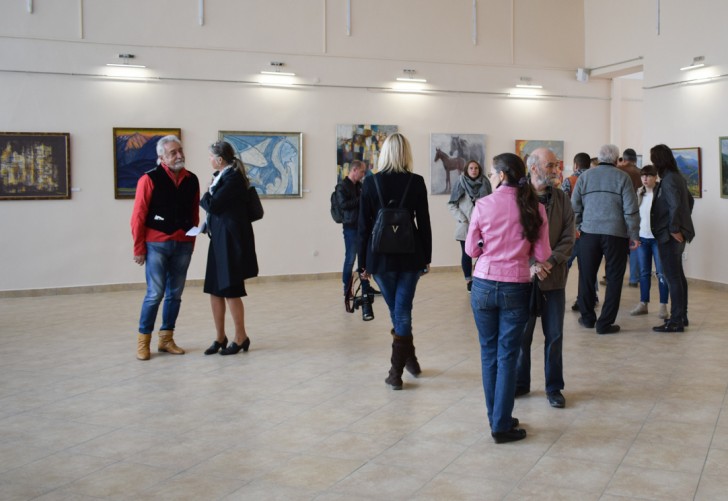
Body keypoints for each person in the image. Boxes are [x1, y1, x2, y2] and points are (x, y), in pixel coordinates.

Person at [466, 153, 551, 444]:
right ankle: (501, 423)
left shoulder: (483, 204)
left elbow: (471, 251)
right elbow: (542, 254)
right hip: (516, 285)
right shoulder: (535, 207)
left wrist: (486, 244)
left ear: (502, 175)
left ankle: (497, 419)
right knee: (507, 355)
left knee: (488, 353)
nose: (490, 177)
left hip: (483, 284)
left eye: (492, 173)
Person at [358, 133, 432, 390]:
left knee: (399, 311)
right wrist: (427, 257)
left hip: (380, 258)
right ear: (406, 153)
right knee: (400, 311)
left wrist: (362, 264)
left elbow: (363, 227)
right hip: (411, 256)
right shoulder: (416, 182)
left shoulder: (370, 182)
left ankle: (395, 372)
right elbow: (424, 222)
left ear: (385, 154)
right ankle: (409, 359)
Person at [131, 135, 200, 360]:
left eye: (180, 151)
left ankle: (166, 339)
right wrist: (139, 248)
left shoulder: (192, 179)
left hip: (183, 244)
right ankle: (143, 341)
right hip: (156, 244)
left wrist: (192, 240)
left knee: (175, 294)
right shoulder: (148, 179)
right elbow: (138, 216)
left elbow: (194, 213)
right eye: (173, 153)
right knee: (155, 294)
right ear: (162, 158)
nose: (179, 155)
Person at [517, 148, 574, 409]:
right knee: (522, 337)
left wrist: (549, 262)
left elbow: (568, 236)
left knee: (554, 336)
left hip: (554, 278)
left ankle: (554, 388)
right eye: (550, 165)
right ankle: (520, 383)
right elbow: (513, 237)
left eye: (556, 165)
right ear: (534, 168)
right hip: (523, 280)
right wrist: (531, 265)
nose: (555, 170)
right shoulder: (518, 198)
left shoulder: (562, 198)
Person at [571, 144, 640, 335]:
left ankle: (587, 318)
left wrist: (578, 227)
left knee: (586, 276)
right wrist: (634, 234)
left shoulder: (585, 177)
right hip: (616, 234)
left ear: (599, 158)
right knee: (614, 278)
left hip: (589, 234)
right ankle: (605, 324)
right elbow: (631, 209)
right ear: (617, 160)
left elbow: (574, 206)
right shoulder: (622, 177)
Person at [199, 141, 259, 355]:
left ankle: (241, 337)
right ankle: (220, 337)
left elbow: (213, 205)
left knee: (231, 290)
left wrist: (205, 193)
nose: (209, 160)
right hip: (218, 240)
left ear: (219, 160)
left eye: (210, 157)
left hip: (230, 242)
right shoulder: (221, 176)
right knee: (215, 289)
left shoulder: (233, 178)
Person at [650, 144, 695, 333]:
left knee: (673, 277)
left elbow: (675, 205)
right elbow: (689, 201)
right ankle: (681, 316)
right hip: (675, 233)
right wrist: (682, 223)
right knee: (678, 276)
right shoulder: (677, 177)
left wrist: (675, 228)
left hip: (669, 235)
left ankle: (676, 321)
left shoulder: (669, 179)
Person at [335, 159, 377, 321]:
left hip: (362, 227)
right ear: (354, 170)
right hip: (350, 228)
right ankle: (347, 289)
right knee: (350, 259)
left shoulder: (360, 185)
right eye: (362, 171)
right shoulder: (342, 186)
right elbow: (343, 205)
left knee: (363, 259)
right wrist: (361, 199)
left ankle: (366, 287)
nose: (364, 174)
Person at [630, 164, 670, 319]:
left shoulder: (662, 194)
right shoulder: (639, 193)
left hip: (658, 240)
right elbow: (634, 215)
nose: (645, 179)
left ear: (655, 177)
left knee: (661, 273)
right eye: (643, 176)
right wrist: (634, 235)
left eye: (648, 176)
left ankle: (663, 305)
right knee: (644, 272)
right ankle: (643, 303)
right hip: (642, 238)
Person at [447, 160, 492, 293]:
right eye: (471, 168)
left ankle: (479, 277)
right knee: (467, 253)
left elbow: (491, 203)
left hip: (484, 225)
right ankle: (469, 281)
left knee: (484, 253)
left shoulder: (485, 182)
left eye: (476, 168)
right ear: (466, 170)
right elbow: (452, 204)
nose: (474, 170)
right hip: (466, 226)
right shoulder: (460, 182)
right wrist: (463, 219)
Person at [618, 148, 643, 288]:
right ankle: (634, 278)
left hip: (619, 212)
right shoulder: (640, 172)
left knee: (618, 246)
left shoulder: (618, 170)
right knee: (634, 245)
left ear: (624, 158)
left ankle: (613, 277)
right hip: (636, 211)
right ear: (635, 159)